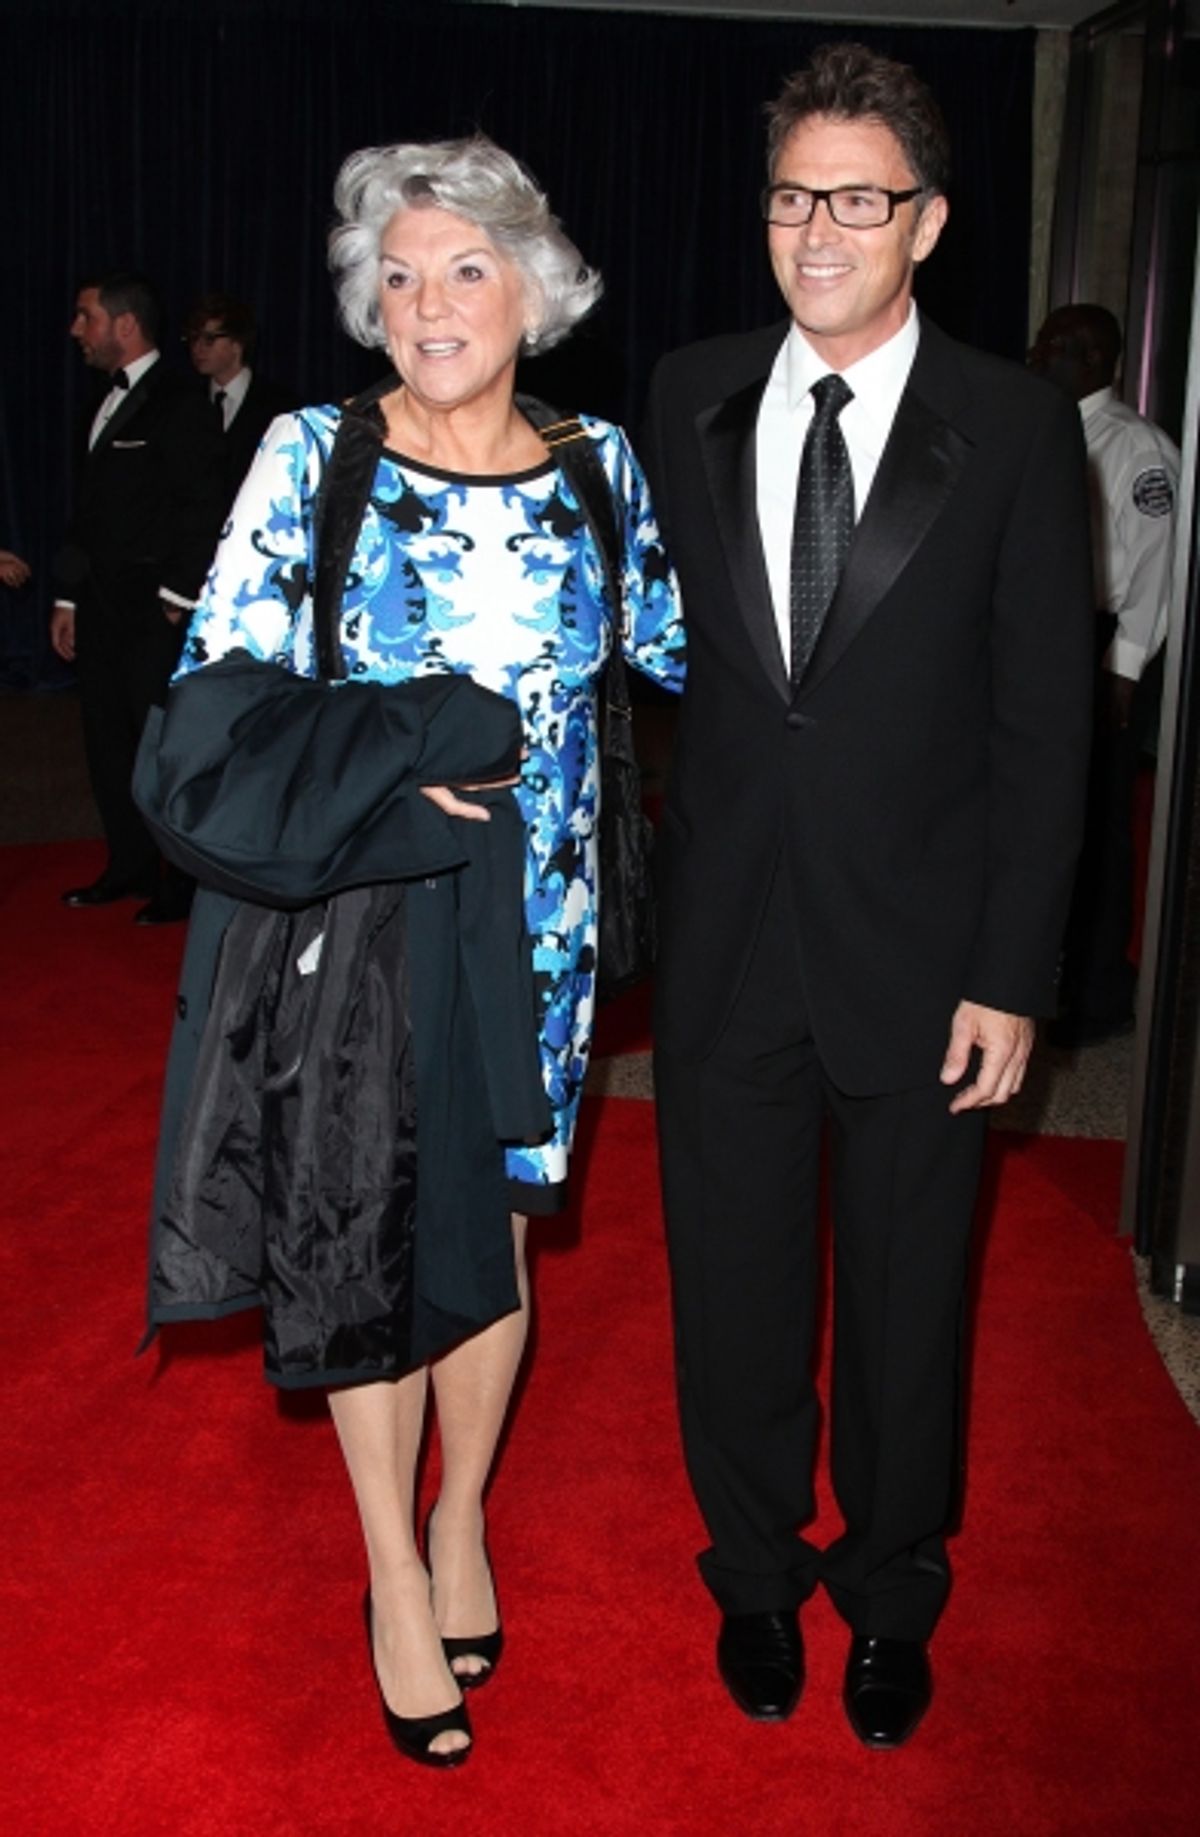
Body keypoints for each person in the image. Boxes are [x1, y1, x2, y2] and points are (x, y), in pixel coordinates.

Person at [147, 135, 684, 1767]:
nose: (430, 301)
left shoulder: (600, 465)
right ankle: (393, 1565)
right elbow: (216, 689)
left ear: (540, 289)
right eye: (400, 273)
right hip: (367, 924)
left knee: (500, 1240)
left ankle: (464, 1517)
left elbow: (687, 652)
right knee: (366, 1234)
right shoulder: (318, 454)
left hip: (549, 933)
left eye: (466, 267)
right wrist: (393, 749)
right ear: (369, 308)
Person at [643, 42, 1092, 1748]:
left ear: (929, 220)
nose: (816, 228)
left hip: (928, 962)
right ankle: (754, 1572)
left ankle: (892, 1585)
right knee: (734, 1291)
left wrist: (1013, 969)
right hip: (730, 950)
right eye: (789, 194)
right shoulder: (686, 393)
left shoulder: (1015, 422)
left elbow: (1049, 724)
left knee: (915, 1309)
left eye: (857, 197)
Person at [51, 272, 226, 923]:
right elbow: (86, 511)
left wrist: (178, 596)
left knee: (162, 749)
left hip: (154, 613)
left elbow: (203, 506)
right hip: (98, 609)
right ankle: (126, 866)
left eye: (84, 315)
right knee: (107, 745)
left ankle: (178, 884)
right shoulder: (97, 402)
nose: (76, 330)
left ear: (124, 325)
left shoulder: (181, 401)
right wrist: (67, 600)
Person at [1029, 304, 1180, 1048]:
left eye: (1061, 347)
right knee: (1045, 816)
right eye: (1043, 342)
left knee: (1096, 822)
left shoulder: (1134, 446)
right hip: (1046, 637)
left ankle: (1098, 991)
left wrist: (1122, 668)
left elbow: (1157, 562)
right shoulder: (1040, 429)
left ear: (1098, 359)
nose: (1042, 355)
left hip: (1105, 647)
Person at [183, 291, 294, 509]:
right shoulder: (185, 402)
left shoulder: (279, 406)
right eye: (193, 338)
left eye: (209, 339)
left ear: (237, 344)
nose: (197, 348)